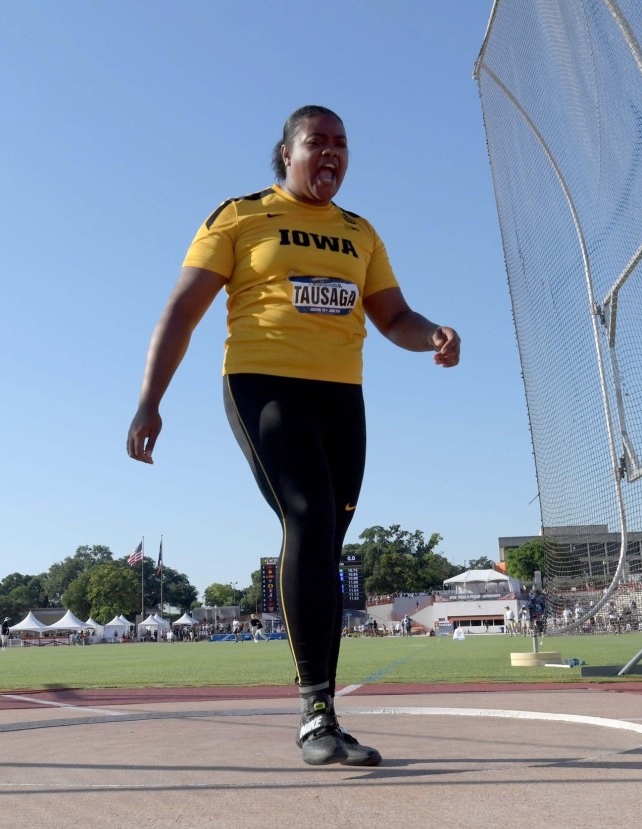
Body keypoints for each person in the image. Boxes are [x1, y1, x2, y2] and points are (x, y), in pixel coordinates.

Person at [127, 104, 460, 767]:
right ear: (287, 153)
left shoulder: (360, 231)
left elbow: (392, 315)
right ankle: (315, 712)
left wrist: (433, 336)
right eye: (317, 142)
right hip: (263, 382)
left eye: (342, 143)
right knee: (304, 515)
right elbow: (183, 308)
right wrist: (149, 400)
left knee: (328, 538)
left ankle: (328, 714)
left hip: (341, 395)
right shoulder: (241, 214)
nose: (332, 152)